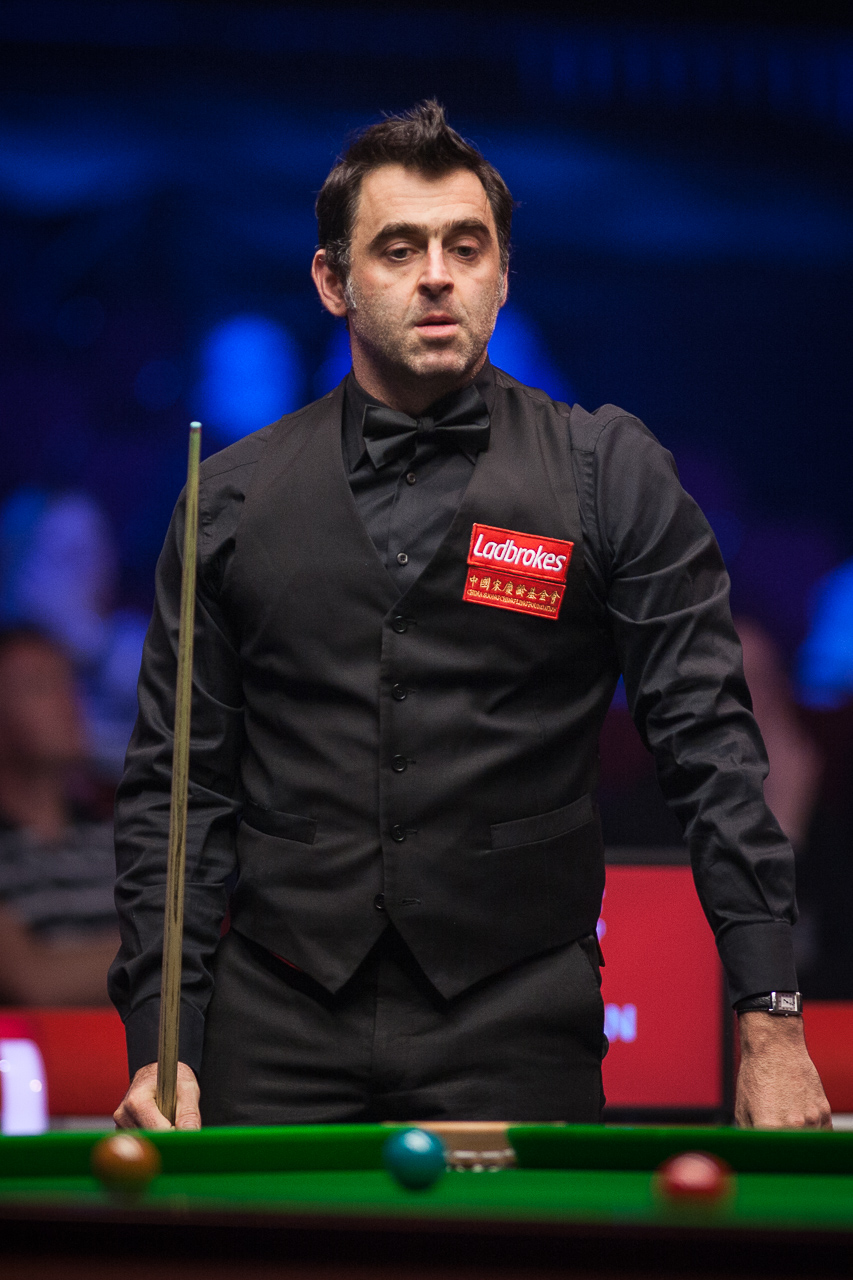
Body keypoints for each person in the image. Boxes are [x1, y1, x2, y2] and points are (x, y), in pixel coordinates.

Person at [111, 102, 830, 1132]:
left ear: (501, 274)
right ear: (332, 282)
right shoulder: (227, 498)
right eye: (398, 248)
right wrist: (161, 1037)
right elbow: (176, 794)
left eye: (465, 245)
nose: (437, 275)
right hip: (275, 1020)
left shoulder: (608, 475)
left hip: (514, 1019)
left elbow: (711, 752)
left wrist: (771, 1021)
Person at [0, 627, 119, 1005]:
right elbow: (32, 981)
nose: (69, 702)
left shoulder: (117, 834)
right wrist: (153, 960)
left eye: (70, 683)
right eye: (39, 686)